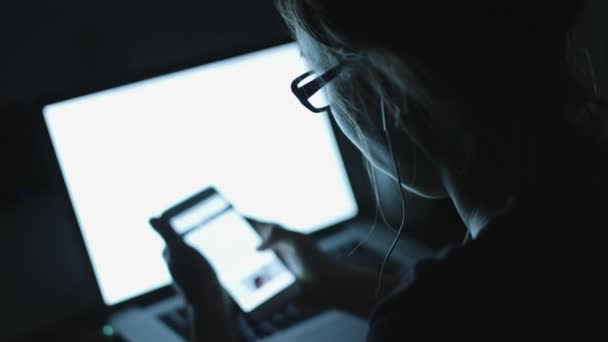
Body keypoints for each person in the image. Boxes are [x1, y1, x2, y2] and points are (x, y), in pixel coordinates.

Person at [150, 0, 608, 339]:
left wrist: (209, 313)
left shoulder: (430, 318)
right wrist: (335, 283)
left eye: (318, 80)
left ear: (392, 95)